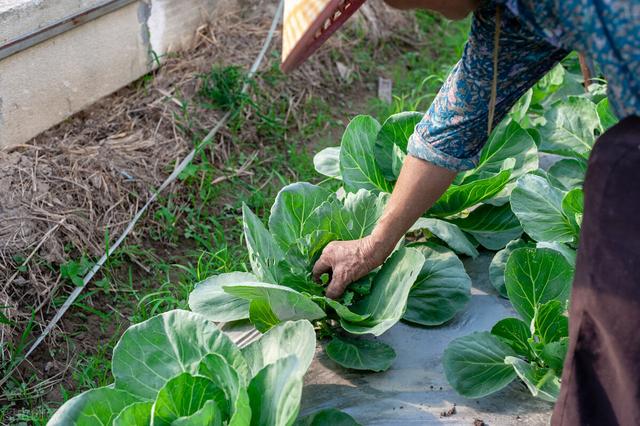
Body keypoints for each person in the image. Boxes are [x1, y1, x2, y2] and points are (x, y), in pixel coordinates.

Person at [311, 1, 640, 425]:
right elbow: (453, 125)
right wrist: (372, 246)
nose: (414, 9)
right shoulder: (514, 17)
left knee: (620, 171)